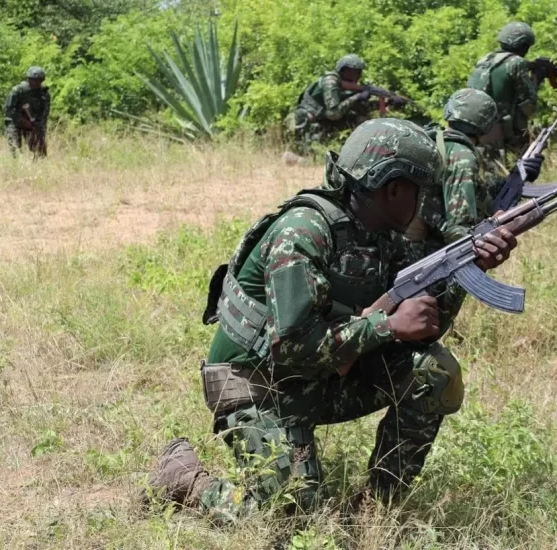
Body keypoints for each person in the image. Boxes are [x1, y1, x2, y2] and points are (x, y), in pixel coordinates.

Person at [144, 119, 518, 522]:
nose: (425, 202)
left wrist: (468, 268)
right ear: (392, 188)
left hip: (319, 375)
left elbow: (425, 324)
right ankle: (185, 480)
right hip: (257, 388)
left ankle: (374, 510)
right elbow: (291, 344)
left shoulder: (377, 236)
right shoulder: (303, 233)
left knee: (432, 372)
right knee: (287, 515)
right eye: (420, 190)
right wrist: (387, 326)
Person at [409, 88, 543, 249]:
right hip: (429, 251)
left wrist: (517, 177)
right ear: (486, 123)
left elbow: (470, 194)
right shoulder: (462, 155)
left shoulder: (436, 142)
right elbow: (459, 228)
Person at [467, 22, 541, 169]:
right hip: (504, 132)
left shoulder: (486, 59)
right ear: (523, 45)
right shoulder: (517, 62)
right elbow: (529, 103)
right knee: (514, 175)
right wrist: (537, 78)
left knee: (489, 172)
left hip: (480, 128)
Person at [285, 54, 380, 155]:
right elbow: (333, 114)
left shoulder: (349, 87)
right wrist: (357, 97)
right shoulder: (331, 81)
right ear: (343, 70)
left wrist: (384, 103)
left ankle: (361, 150)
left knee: (360, 118)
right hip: (308, 123)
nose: (356, 75)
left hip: (325, 123)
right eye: (352, 71)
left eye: (358, 72)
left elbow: (356, 107)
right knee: (310, 157)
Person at [3, 66, 50, 158]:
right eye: (33, 80)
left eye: (38, 80)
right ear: (28, 79)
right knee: (15, 150)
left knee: (40, 152)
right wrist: (23, 121)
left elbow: (44, 114)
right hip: (15, 121)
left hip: (32, 123)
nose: (36, 83)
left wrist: (39, 128)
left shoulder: (43, 94)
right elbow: (9, 110)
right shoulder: (17, 91)